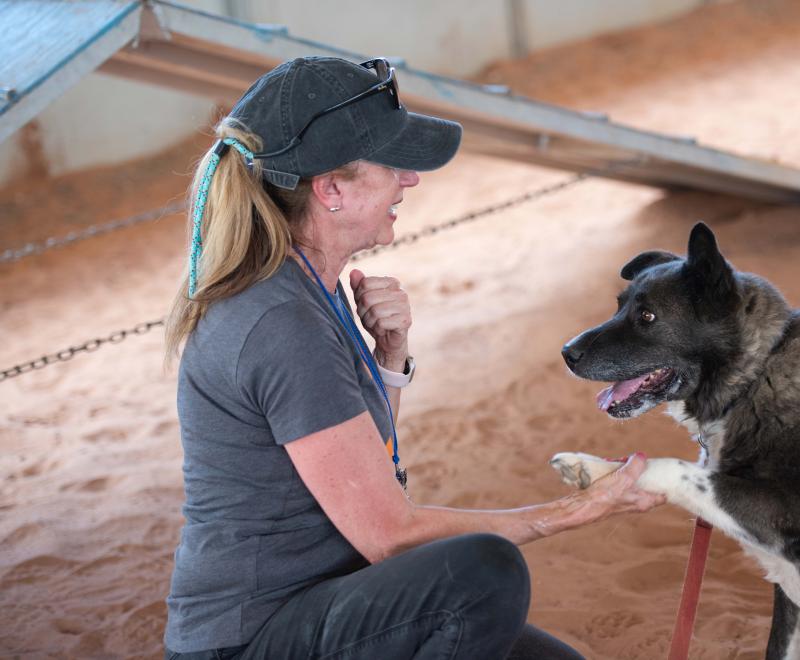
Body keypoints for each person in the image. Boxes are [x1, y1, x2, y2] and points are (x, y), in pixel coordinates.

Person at [163, 56, 664, 660]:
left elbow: (361, 461)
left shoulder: (309, 286)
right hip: (254, 637)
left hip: (326, 603)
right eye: (391, 166)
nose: (410, 180)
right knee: (481, 573)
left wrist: (389, 359)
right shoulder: (281, 322)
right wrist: (576, 510)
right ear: (331, 189)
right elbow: (389, 538)